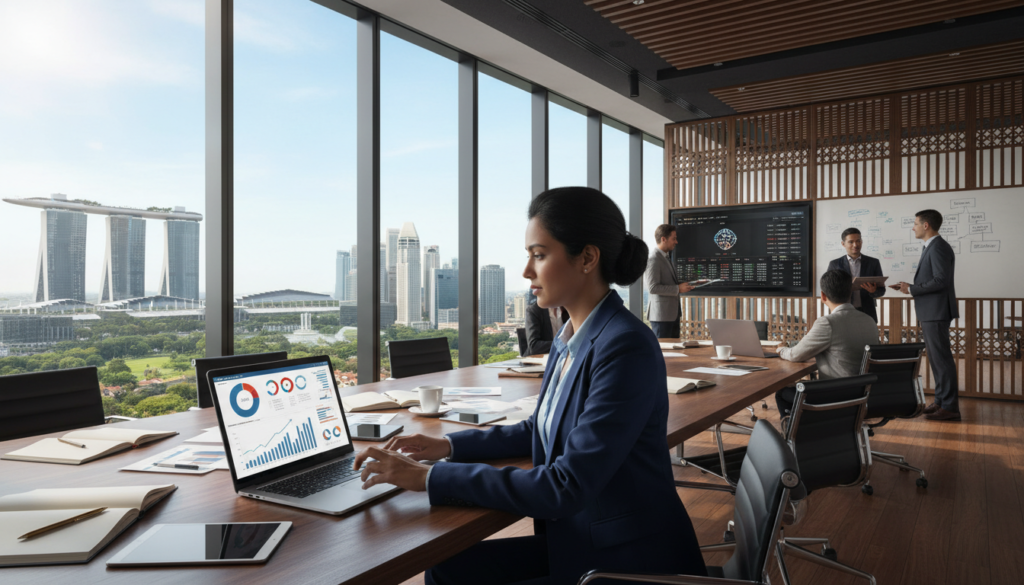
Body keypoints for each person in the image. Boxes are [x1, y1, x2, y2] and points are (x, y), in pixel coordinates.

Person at [353, 187, 707, 585]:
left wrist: (429, 478)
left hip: (624, 561)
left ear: (588, 258)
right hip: (579, 537)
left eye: (539, 255)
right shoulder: (570, 335)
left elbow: (566, 485)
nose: (526, 271)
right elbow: (538, 427)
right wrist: (449, 447)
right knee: (447, 568)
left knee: (449, 573)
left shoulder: (625, 346)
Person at [774, 269, 879, 416]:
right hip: (864, 393)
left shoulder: (828, 322)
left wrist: (781, 349)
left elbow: (795, 355)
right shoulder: (870, 321)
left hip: (835, 394)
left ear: (823, 296)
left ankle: (797, 436)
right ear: (851, 293)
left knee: (783, 392)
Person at [891, 209, 960, 421]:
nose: (913, 227)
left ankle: (949, 407)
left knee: (942, 359)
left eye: (915, 223)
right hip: (933, 311)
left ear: (926, 225)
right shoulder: (932, 246)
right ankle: (941, 401)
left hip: (936, 311)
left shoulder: (938, 247)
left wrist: (912, 289)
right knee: (938, 359)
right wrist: (910, 287)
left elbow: (941, 281)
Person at [645, 224, 695, 339]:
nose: (676, 242)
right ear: (663, 239)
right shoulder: (654, 259)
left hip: (672, 315)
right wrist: (678, 289)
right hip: (661, 317)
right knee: (664, 353)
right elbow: (653, 288)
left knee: (673, 353)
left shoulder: (665, 257)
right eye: (674, 238)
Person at [827, 227, 886, 323]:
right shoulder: (835, 264)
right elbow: (829, 290)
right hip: (842, 312)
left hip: (866, 311)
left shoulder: (873, 263)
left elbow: (882, 291)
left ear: (861, 241)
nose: (855, 245)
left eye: (858, 241)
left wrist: (873, 291)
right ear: (843, 244)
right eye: (851, 242)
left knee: (866, 338)